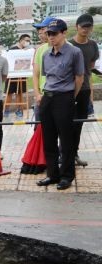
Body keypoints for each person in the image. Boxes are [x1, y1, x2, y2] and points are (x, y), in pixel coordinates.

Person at [36, 18, 84, 191]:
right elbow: (46, 77)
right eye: (49, 33)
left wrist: (70, 96)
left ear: (64, 33)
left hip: (64, 97)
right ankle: (52, 174)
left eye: (54, 33)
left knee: (66, 140)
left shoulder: (74, 52)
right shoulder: (46, 54)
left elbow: (79, 77)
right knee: (48, 139)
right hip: (47, 98)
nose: (51, 37)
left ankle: (67, 176)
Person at [69, 14, 99, 167]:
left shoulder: (93, 45)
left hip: (85, 89)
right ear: (77, 26)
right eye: (83, 26)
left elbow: (91, 68)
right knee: (66, 123)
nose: (85, 29)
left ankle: (74, 154)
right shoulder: (68, 45)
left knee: (79, 123)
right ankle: (65, 155)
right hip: (68, 89)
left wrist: (91, 94)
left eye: (88, 26)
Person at [32, 16, 56, 123]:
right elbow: (36, 74)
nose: (41, 32)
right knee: (41, 130)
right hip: (43, 95)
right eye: (40, 30)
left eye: (43, 29)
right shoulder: (40, 49)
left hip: (62, 96)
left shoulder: (71, 49)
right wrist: (37, 94)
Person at [5, 34, 31, 118]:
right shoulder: (13, 50)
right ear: (21, 40)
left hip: (22, 74)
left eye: (29, 41)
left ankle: (19, 110)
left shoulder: (26, 51)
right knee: (9, 93)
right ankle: (6, 110)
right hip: (12, 75)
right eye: (26, 40)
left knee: (19, 93)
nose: (28, 42)